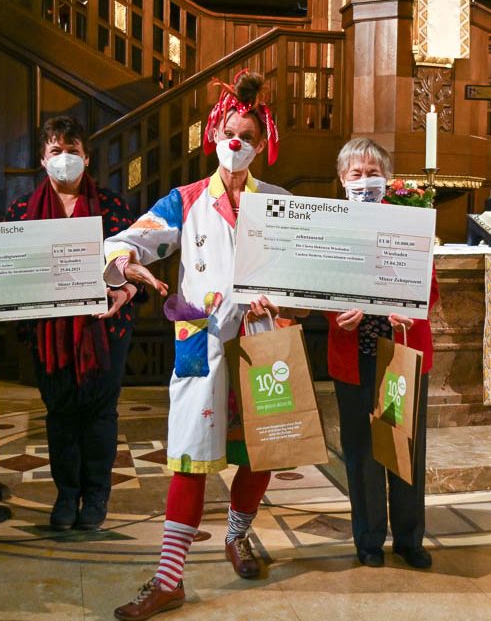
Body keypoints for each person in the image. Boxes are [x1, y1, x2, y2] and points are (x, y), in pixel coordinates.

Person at [106, 70, 299, 621]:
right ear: (214, 135)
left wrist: (282, 297)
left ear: (263, 146)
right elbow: (127, 240)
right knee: (190, 461)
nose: (237, 143)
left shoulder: (282, 203)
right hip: (203, 342)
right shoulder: (185, 200)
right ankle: (169, 580)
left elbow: (306, 267)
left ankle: (237, 535)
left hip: (265, 342)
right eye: (230, 133)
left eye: (249, 136)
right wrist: (124, 267)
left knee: (263, 450)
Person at [4, 116, 140, 532]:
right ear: (42, 161)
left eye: (73, 151)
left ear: (87, 157)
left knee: (100, 414)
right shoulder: (21, 212)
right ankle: (66, 494)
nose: (65, 159)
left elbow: (134, 262)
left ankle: (96, 495)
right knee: (60, 413)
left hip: (104, 328)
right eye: (56, 151)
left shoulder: (114, 206)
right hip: (48, 333)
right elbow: (2, 270)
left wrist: (127, 290)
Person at [326, 138, 439, 570]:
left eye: (373, 173)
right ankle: (369, 537)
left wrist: (408, 309)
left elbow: (428, 285)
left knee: (404, 447)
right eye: (356, 174)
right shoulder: (331, 225)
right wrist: (338, 313)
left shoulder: (409, 223)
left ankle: (410, 538)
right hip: (355, 352)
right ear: (342, 181)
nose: (365, 181)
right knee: (361, 449)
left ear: (387, 179)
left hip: (401, 350)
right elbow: (317, 279)